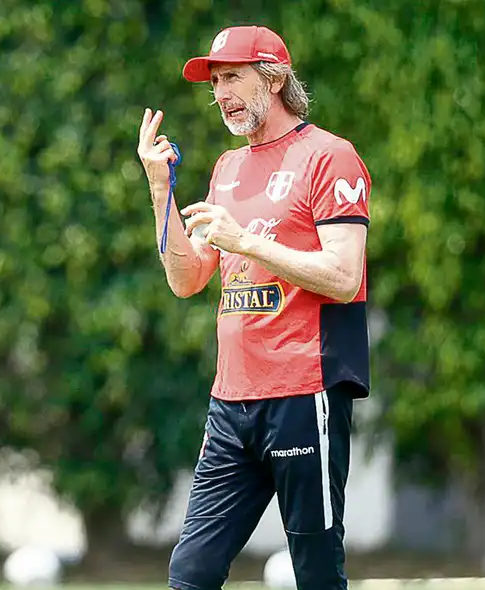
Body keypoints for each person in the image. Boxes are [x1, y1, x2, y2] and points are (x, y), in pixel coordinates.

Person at [137, 25, 371, 590]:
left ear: (274, 77)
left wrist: (246, 242)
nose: (221, 93)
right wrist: (159, 188)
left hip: (304, 394)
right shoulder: (227, 168)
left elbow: (343, 278)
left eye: (233, 76)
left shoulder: (330, 156)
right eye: (215, 82)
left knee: (316, 574)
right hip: (231, 403)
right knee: (190, 574)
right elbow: (187, 278)